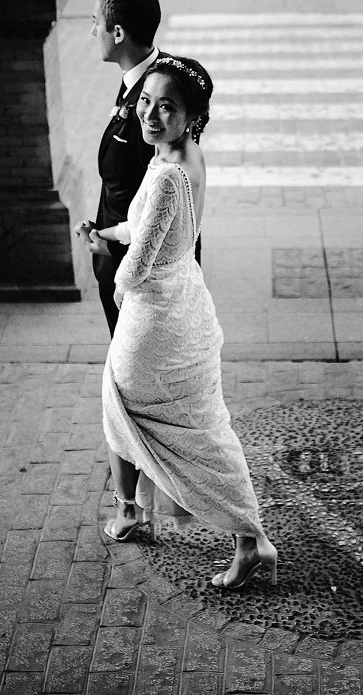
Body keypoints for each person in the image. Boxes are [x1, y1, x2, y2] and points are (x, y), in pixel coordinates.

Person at [94, 55, 277, 590]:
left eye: (166, 107)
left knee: (128, 411)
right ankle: (248, 538)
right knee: (200, 427)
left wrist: (115, 285)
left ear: (191, 115)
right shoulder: (183, 158)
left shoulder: (169, 174)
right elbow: (146, 227)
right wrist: (107, 233)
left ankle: (137, 512)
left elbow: (143, 258)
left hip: (155, 318)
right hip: (185, 304)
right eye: (145, 102)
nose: (150, 114)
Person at [76, 0, 199, 337]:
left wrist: (115, 253)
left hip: (135, 281)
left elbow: (171, 203)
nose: (91, 30)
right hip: (116, 250)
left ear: (117, 32)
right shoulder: (142, 81)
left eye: (95, 21)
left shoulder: (157, 99)